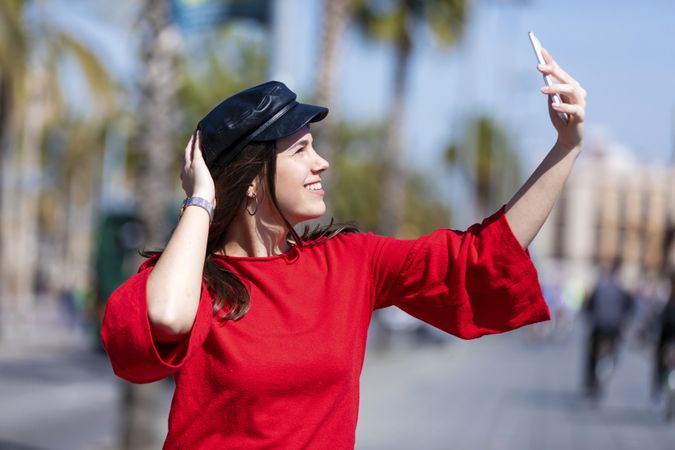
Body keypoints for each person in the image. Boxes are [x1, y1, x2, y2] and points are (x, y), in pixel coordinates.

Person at [102, 48, 586, 449]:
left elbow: (478, 257)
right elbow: (164, 317)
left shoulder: (350, 263)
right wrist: (201, 198)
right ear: (251, 182)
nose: (323, 162)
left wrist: (565, 147)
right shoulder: (195, 282)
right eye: (300, 150)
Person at [582, 261, 634, 398]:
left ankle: (590, 380)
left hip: (599, 326)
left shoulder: (599, 287)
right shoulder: (620, 289)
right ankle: (611, 364)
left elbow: (589, 306)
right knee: (615, 350)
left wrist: (590, 316)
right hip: (615, 327)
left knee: (592, 353)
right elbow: (629, 307)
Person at [653, 273, 675, 400]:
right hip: (668, 339)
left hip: (667, 339)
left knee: (661, 362)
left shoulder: (667, 299)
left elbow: (661, 319)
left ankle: (658, 390)